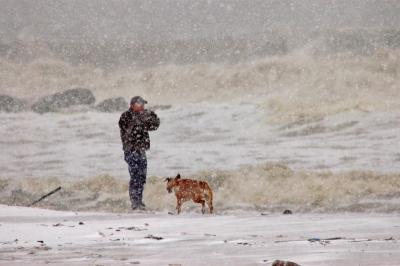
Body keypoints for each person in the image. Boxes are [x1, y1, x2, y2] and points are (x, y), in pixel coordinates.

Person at [118, 96, 160, 210]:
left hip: (141, 151)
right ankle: (135, 203)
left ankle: (139, 202)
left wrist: (152, 115)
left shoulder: (143, 116)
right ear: (132, 105)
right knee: (135, 176)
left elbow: (154, 126)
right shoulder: (125, 116)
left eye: (143, 105)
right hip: (131, 151)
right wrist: (141, 117)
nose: (142, 107)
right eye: (139, 104)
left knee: (141, 177)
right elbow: (131, 128)